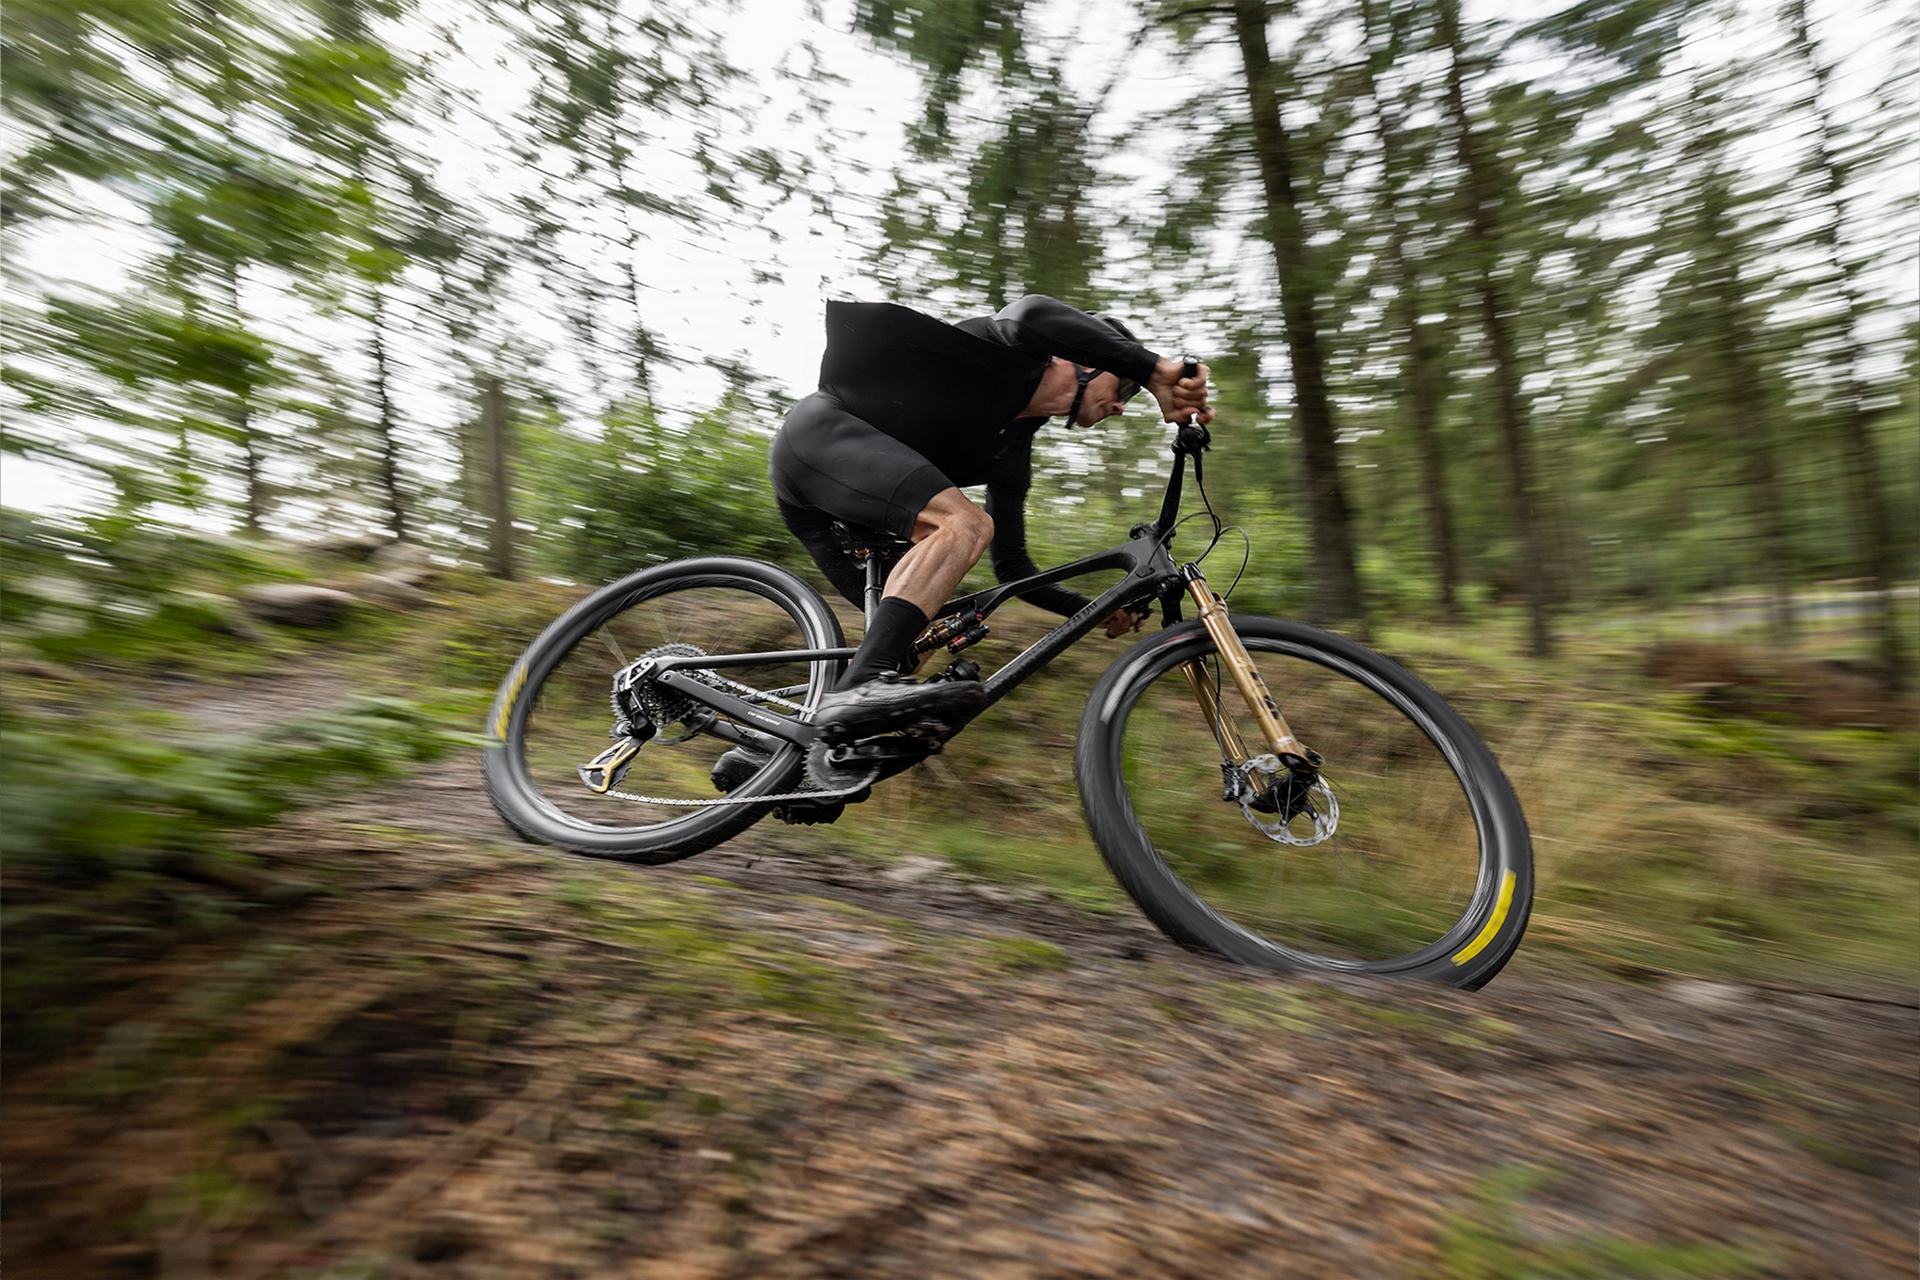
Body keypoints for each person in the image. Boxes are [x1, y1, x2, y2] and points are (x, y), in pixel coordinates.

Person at [764, 294, 1212, 743]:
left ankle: (788, 753)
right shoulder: (1013, 355)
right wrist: (1153, 369)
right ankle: (857, 690)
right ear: (1082, 357)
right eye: (1125, 388)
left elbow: (1014, 569)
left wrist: (1096, 611)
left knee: (912, 637)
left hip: (854, 513)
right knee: (966, 524)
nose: (1121, 406)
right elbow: (1031, 313)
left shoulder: (1010, 456)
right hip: (819, 437)